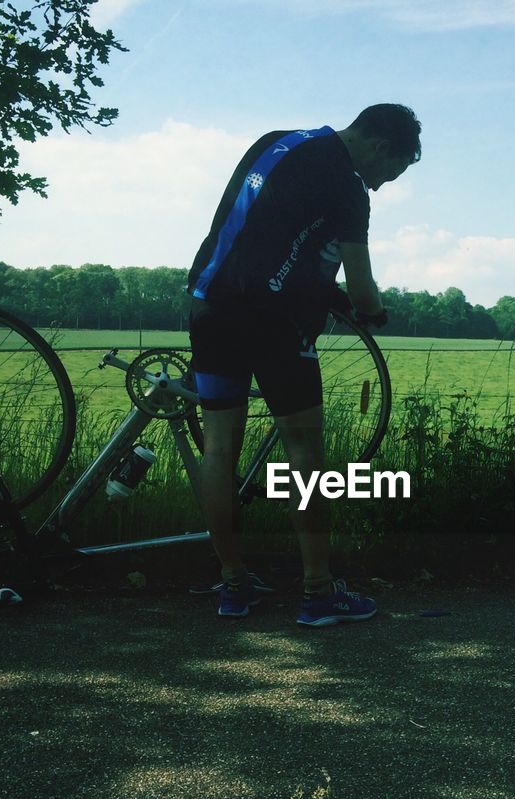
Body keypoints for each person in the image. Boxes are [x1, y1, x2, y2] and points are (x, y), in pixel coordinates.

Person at [186, 104, 420, 626]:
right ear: (381, 146)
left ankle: (232, 585)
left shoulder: (275, 140)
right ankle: (317, 590)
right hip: (276, 324)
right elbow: (362, 286)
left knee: (219, 449)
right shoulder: (348, 187)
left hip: (210, 304)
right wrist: (371, 310)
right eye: (392, 171)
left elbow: (264, 237)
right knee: (304, 452)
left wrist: (319, 290)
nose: (381, 185)